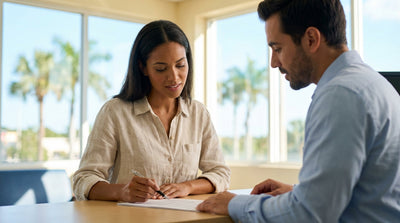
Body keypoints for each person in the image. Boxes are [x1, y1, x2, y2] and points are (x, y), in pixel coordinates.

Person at [197, 0, 400, 222]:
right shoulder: (374, 84)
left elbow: (308, 214)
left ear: (311, 39)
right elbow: (367, 191)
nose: (274, 63)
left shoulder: (341, 95)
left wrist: (235, 203)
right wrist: (299, 192)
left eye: (278, 49)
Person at [73, 20, 230, 202]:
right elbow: (83, 179)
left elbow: (221, 173)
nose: (174, 77)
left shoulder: (198, 113)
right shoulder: (115, 112)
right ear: (143, 67)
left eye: (180, 65)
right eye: (161, 68)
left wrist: (187, 186)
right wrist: (122, 191)